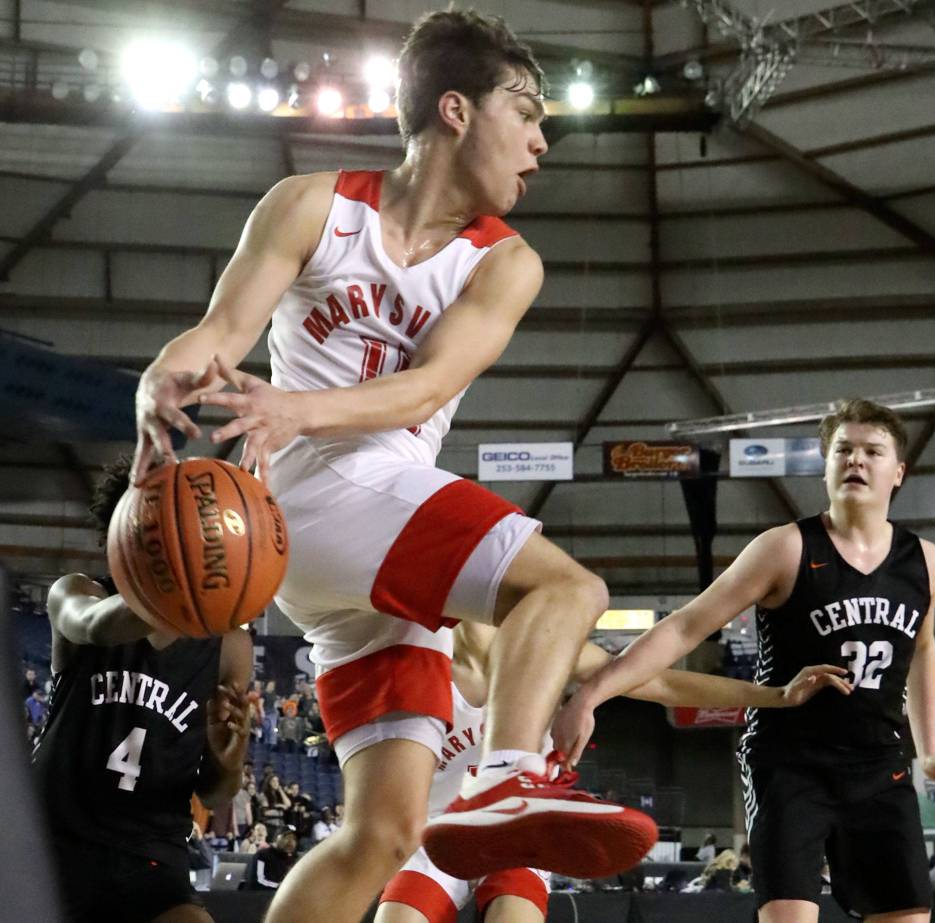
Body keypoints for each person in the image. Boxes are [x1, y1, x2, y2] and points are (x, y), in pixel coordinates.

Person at [131, 9, 654, 923]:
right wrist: (160, 377)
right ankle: (507, 779)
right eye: (525, 114)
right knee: (567, 588)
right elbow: (219, 334)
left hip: (365, 533)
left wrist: (295, 407)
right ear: (455, 110)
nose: (541, 143)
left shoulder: (506, 263)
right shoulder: (311, 205)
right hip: (315, 495)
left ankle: (492, 787)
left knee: (383, 830)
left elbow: (427, 389)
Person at [555, 398, 935, 923]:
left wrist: (930, 750)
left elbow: (923, 648)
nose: (856, 461)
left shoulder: (926, 561)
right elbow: (684, 626)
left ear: (898, 472)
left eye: (872, 451)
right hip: (789, 764)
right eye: (843, 450)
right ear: (825, 466)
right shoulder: (785, 548)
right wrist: (592, 694)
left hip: (878, 768)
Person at [376, 620, 848, 923]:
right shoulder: (408, 654)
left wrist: (774, 695)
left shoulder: (537, 641)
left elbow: (660, 681)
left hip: (514, 835)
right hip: (436, 835)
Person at [31, 455, 253, 923]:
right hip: (51, 841)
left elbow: (214, 795)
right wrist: (185, 587)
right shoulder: (78, 592)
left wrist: (228, 760)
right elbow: (91, 626)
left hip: (152, 852)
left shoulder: (230, 645)